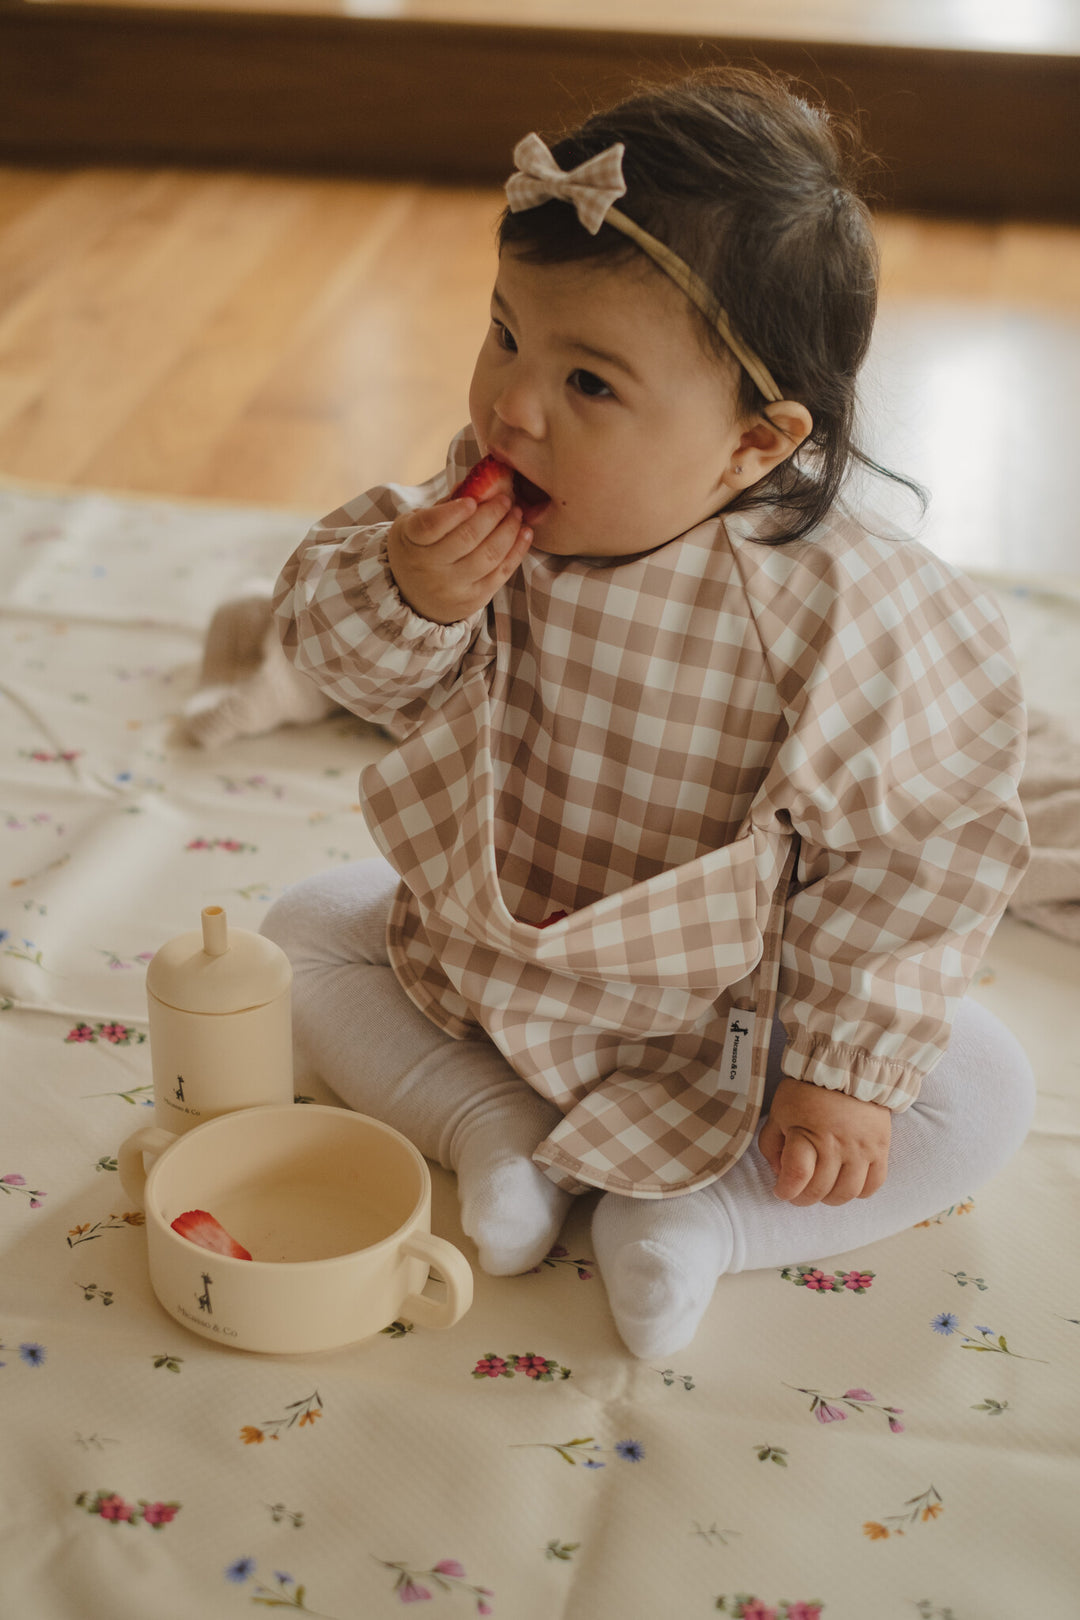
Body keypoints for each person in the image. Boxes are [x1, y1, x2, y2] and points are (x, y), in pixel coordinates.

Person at [262, 67, 1034, 1358]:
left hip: (734, 1034)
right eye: (506, 331)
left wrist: (840, 1072)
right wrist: (409, 595)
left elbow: (919, 851)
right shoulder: (478, 512)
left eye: (591, 384)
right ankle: (486, 1131)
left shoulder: (850, 612)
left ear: (755, 443)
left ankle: (703, 1221)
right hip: (495, 975)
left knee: (982, 1088)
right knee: (299, 934)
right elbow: (350, 671)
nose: (512, 403)